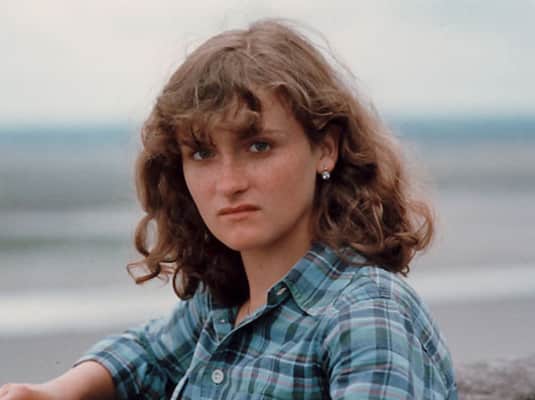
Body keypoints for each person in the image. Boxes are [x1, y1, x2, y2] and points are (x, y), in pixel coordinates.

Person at [0, 19, 458, 399]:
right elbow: (147, 355)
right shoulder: (224, 302)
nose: (228, 183)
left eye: (258, 146)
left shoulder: (365, 314)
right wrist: (54, 392)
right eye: (202, 153)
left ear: (326, 149)